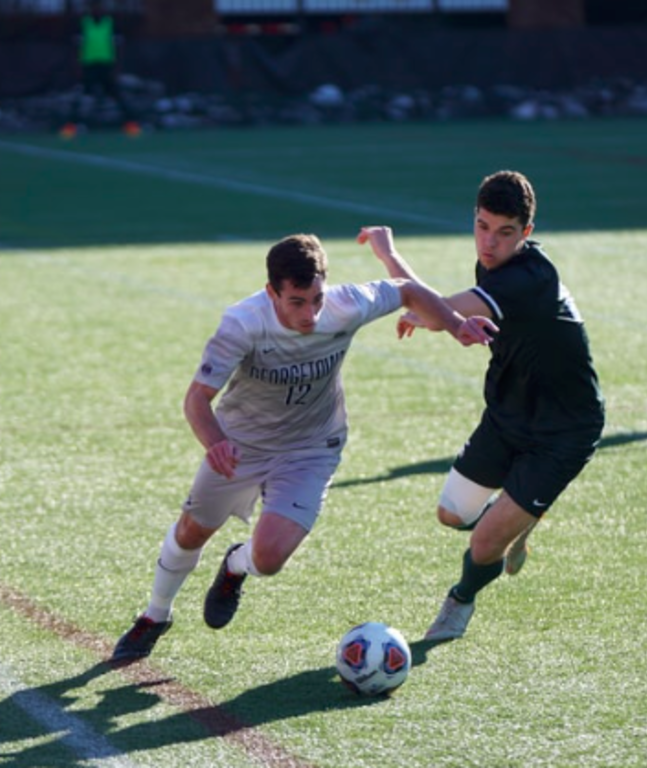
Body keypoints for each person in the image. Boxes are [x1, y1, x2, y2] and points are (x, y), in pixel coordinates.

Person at [111, 232, 497, 664]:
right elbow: (196, 399)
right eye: (296, 301)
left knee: (270, 558)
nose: (310, 313)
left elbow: (408, 290)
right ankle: (155, 615)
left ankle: (235, 567)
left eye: (316, 298)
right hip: (241, 446)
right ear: (271, 292)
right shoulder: (242, 323)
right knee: (191, 531)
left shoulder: (346, 304)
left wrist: (455, 325)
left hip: (311, 448)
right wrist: (216, 443)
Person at [360, 170, 606, 646]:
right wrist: (422, 302)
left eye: (504, 232)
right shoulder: (492, 270)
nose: (489, 243)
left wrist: (390, 258)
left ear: (526, 234)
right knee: (452, 515)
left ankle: (460, 600)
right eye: (482, 226)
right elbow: (439, 310)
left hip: (563, 431)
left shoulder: (530, 277)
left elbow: (437, 312)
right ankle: (519, 514)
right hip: (507, 415)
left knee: (484, 542)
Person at [59, 0, 140, 138]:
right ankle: (70, 128)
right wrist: (77, 66)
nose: (96, 9)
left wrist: (116, 67)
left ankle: (131, 126)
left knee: (118, 97)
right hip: (89, 66)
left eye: (98, 6)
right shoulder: (83, 23)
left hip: (106, 66)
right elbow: (76, 47)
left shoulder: (110, 23)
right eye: (93, 6)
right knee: (80, 98)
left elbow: (118, 47)